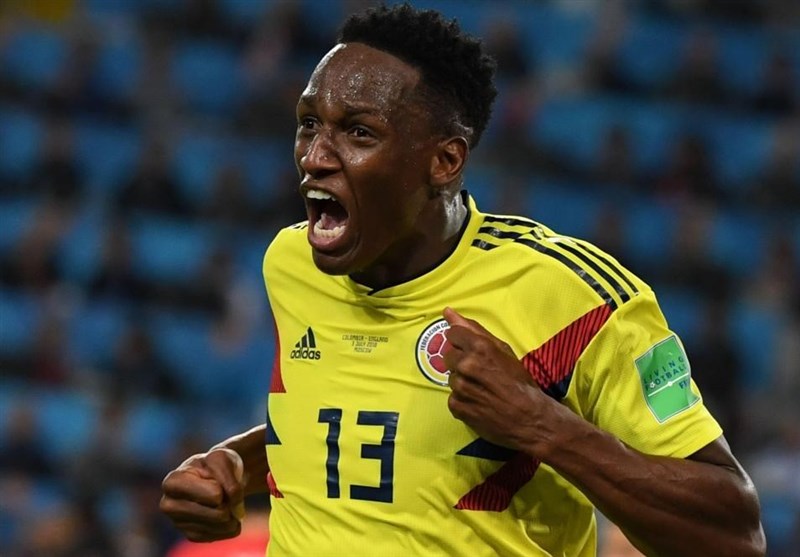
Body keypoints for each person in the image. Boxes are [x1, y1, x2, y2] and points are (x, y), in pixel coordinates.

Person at [160, 4, 765, 556]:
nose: (315, 156)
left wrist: (540, 424)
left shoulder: (576, 298)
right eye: (309, 123)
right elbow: (353, 423)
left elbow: (734, 535)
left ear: (444, 161)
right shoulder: (292, 264)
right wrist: (233, 463)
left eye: (359, 132)